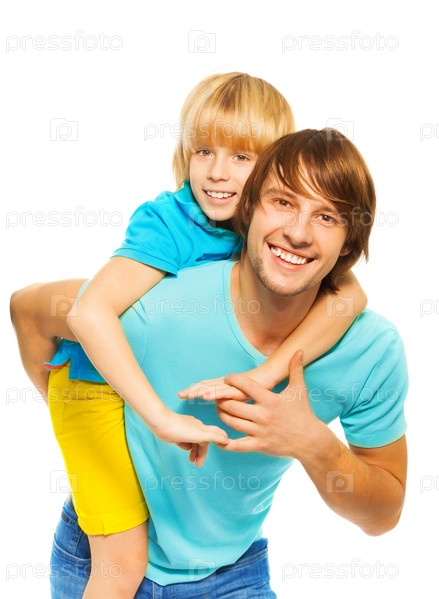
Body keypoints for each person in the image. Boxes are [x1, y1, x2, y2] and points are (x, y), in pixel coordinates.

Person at [10, 73, 366, 598]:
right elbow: (88, 312)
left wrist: (265, 374)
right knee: (122, 562)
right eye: (204, 151)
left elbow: (350, 295)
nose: (218, 172)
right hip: (93, 389)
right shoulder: (170, 222)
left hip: (147, 388)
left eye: (241, 157)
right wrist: (157, 417)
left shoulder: (266, 229)